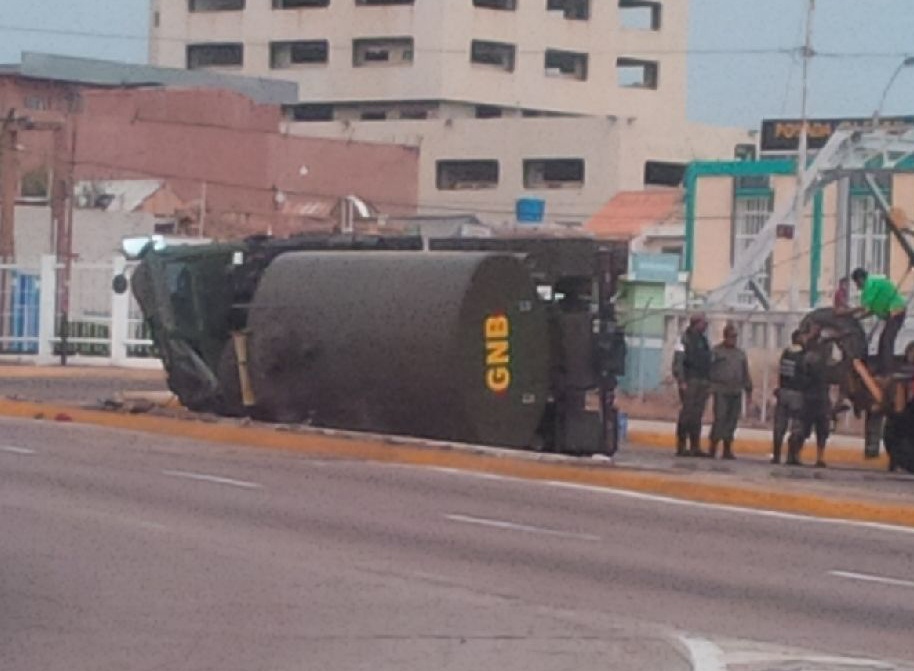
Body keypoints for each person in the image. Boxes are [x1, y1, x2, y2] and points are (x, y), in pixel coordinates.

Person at [848, 268, 906, 374]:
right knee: (883, 339)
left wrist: (848, 312)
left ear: (860, 279)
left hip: (896, 311)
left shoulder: (870, 285)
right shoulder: (870, 287)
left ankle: (887, 371)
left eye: (856, 283)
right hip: (891, 313)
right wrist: (858, 318)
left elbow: (865, 307)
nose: (857, 286)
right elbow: (871, 310)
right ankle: (882, 367)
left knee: (886, 340)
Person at [786, 329, 831, 468]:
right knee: (813, 430)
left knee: (811, 429)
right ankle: (816, 457)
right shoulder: (812, 358)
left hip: (812, 396)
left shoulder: (805, 357)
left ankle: (801, 456)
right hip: (815, 397)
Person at [708, 323, 753, 459]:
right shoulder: (716, 352)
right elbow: (709, 369)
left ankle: (727, 448)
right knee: (720, 418)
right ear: (725, 336)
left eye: (735, 337)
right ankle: (713, 446)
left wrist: (748, 389)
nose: (733, 339)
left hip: (736, 390)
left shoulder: (740, 354)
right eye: (731, 336)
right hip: (721, 389)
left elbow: (745, 372)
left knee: (732, 420)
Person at [673, 313, 712, 457]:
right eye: (703, 322)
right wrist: (681, 380)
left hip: (702, 381)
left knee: (697, 416)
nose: (706, 325)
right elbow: (678, 361)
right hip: (690, 381)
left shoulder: (703, 340)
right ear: (696, 323)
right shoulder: (684, 339)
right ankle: (681, 445)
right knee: (687, 414)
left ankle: (695, 446)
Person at [772, 329, 805, 465]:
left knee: (779, 426)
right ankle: (792, 456)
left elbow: (782, 374)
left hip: (783, 391)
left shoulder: (786, 353)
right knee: (797, 426)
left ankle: (776, 455)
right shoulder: (802, 355)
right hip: (796, 393)